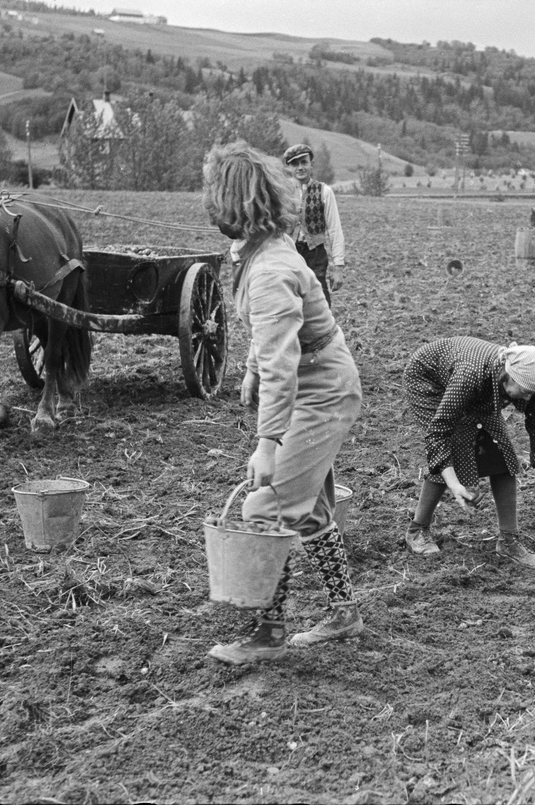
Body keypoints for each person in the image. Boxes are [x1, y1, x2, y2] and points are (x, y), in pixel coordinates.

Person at [201, 142, 364, 665]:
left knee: (264, 503)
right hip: (316, 377)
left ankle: (268, 634)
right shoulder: (265, 249)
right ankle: (344, 613)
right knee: (308, 506)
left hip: (319, 391)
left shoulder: (269, 267)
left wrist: (267, 444)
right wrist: (249, 367)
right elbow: (273, 338)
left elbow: (282, 364)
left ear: (233, 205)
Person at [402, 337, 535, 569]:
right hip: (428, 380)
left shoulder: (532, 382)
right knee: (454, 444)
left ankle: (509, 541)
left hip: (478, 382)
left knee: (501, 451)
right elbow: (439, 433)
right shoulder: (470, 377)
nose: (527, 398)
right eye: (524, 391)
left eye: (532, 393)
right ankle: (417, 531)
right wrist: (455, 485)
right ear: (507, 376)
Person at [282, 143, 346, 306]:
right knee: (287, 302)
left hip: (315, 254)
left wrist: (338, 266)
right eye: (295, 164)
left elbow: (334, 229)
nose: (300, 167)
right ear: (289, 167)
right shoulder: (282, 193)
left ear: (311, 164)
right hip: (288, 254)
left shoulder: (324, 191)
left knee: (320, 302)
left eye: (304, 162)